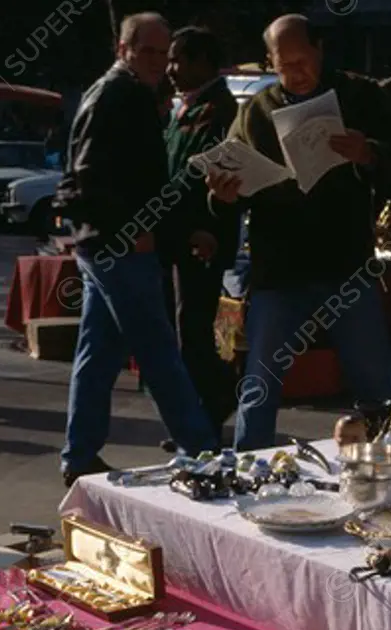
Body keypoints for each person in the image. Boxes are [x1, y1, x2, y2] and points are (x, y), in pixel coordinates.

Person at [207, 14, 391, 451]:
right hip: (278, 268)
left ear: (320, 50)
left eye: (303, 61)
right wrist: (221, 196)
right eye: (285, 65)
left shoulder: (360, 95)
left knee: (372, 383)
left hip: (346, 264)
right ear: (270, 62)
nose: (296, 73)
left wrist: (369, 153)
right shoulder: (256, 111)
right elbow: (229, 177)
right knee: (260, 383)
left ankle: (381, 471)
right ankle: (251, 469)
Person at [57, 12, 218, 487]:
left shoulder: (120, 93)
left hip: (107, 242)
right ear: (123, 49)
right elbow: (90, 179)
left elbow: (123, 181)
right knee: (158, 350)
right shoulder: (118, 94)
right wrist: (133, 230)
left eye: (163, 53)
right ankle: (204, 453)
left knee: (100, 351)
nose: (159, 62)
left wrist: (171, 230)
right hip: (118, 247)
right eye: (147, 51)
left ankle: (80, 455)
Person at [160, 26, 240, 453]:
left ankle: (207, 421)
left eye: (180, 60)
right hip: (177, 236)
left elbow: (221, 179)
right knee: (186, 332)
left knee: (196, 332)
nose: (171, 69)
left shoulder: (220, 110)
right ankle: (197, 419)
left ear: (204, 63)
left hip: (203, 239)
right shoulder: (183, 108)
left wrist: (209, 228)